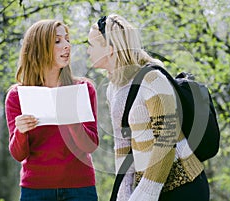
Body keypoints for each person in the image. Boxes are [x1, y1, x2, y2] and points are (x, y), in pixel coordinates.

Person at [87, 14, 210, 201]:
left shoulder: (153, 79)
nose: (87, 51)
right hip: (149, 186)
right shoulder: (114, 88)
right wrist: (124, 191)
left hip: (184, 185)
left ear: (110, 50)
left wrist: (147, 191)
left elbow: (166, 139)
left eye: (91, 45)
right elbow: (122, 144)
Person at [5, 19, 99, 201]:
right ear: (39, 48)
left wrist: (72, 120)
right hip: (36, 190)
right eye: (58, 41)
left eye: (67, 39)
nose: (67, 46)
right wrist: (21, 131)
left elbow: (91, 145)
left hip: (80, 188)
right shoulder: (17, 96)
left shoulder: (83, 89)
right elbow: (19, 155)